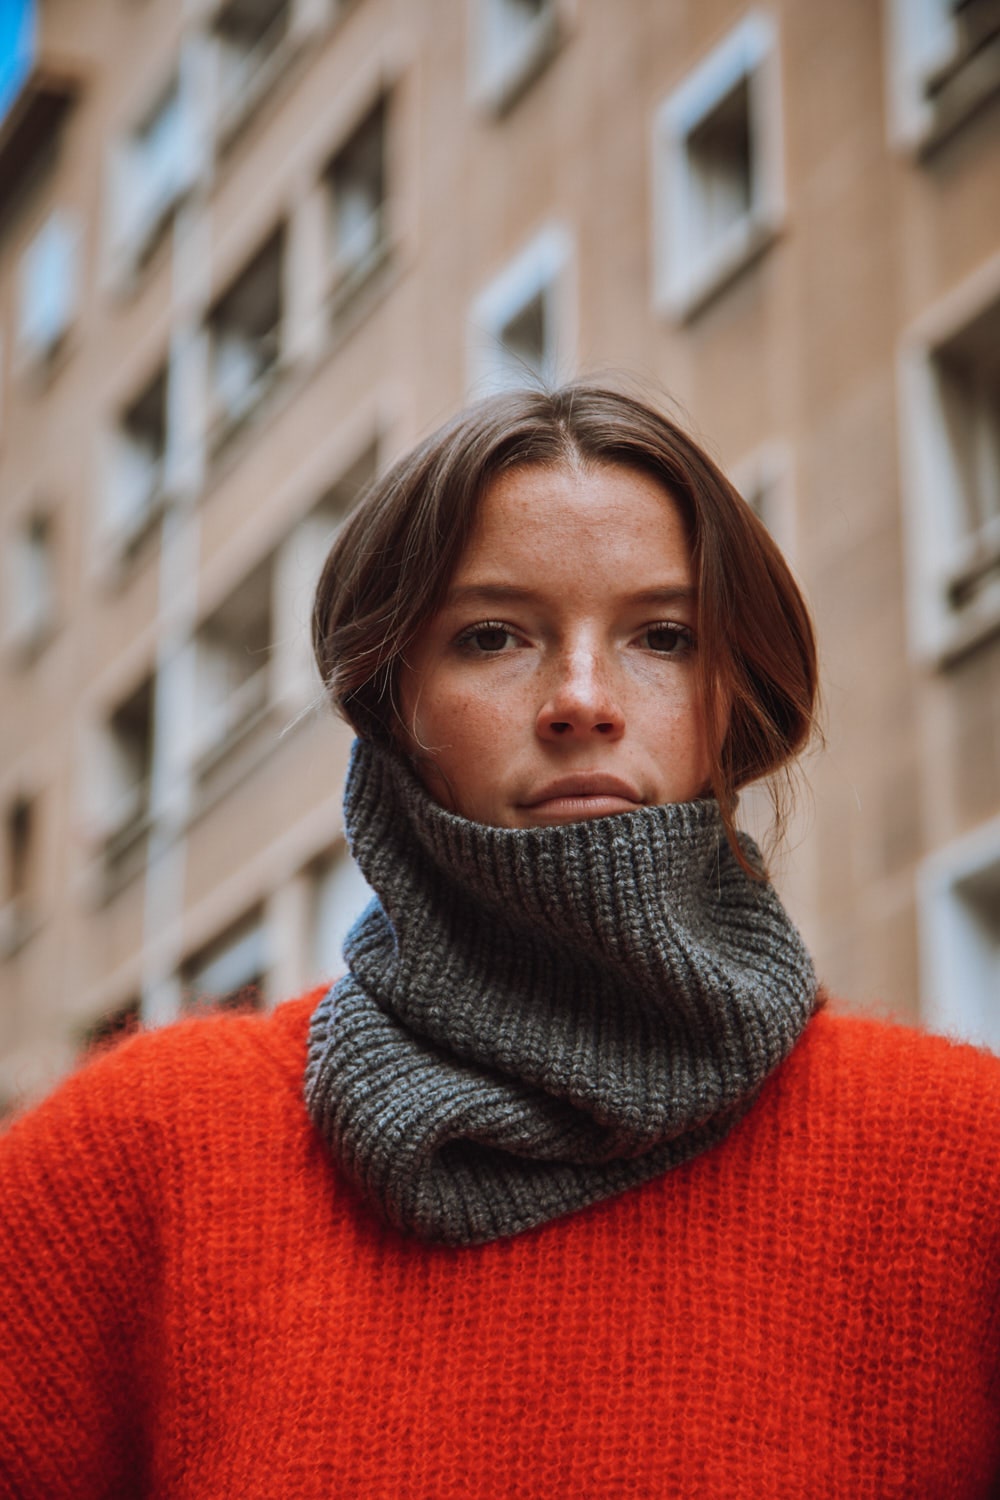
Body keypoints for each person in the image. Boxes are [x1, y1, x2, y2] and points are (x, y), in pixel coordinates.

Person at [2, 385, 998, 1497]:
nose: (582, 699)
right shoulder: (141, 1160)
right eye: (491, 636)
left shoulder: (964, 1164)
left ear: (735, 698)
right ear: (393, 701)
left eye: (662, 637)